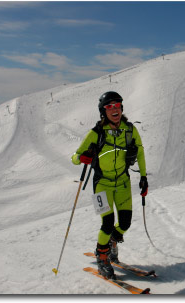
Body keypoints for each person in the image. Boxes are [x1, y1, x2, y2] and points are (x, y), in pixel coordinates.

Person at [71, 91, 148, 279]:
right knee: (106, 223)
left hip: (122, 183)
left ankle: (112, 241)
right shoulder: (95, 133)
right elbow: (74, 157)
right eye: (109, 106)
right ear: (102, 111)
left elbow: (140, 152)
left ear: (122, 108)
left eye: (117, 105)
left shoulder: (130, 130)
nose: (114, 109)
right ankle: (102, 256)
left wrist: (144, 177)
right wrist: (82, 157)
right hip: (101, 185)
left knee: (125, 223)